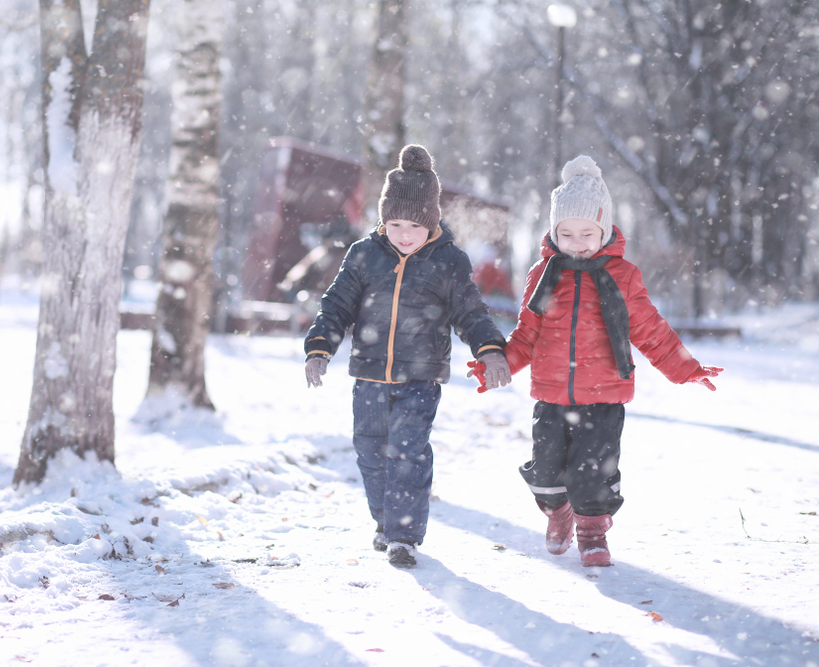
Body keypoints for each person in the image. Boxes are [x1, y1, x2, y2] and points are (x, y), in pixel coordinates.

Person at [468, 155, 722, 567]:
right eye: (566, 233)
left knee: (592, 473)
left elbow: (649, 328)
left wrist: (685, 367)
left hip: (604, 397)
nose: (578, 241)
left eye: (587, 232)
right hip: (551, 395)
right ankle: (559, 512)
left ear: (604, 229)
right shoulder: (543, 274)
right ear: (553, 232)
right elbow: (527, 334)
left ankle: (591, 533)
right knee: (546, 475)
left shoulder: (622, 275)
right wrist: (497, 363)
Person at [304, 144, 511, 569]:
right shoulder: (363, 254)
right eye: (394, 222)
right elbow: (337, 305)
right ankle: (384, 520)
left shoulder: (449, 261)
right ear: (383, 218)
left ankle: (403, 535)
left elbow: (470, 311)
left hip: (421, 377)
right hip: (370, 375)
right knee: (370, 450)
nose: (403, 233)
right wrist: (320, 347)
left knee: (408, 451)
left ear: (431, 222)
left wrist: (490, 350)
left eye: (414, 225)